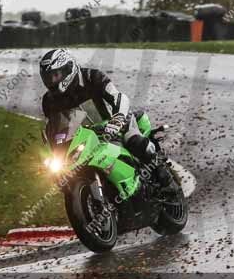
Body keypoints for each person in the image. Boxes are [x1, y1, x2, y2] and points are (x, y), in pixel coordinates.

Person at [39, 48, 175, 190]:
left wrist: (117, 119)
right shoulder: (48, 101)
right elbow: (53, 129)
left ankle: (164, 177)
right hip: (86, 139)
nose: (52, 81)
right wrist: (51, 154)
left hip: (115, 123)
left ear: (68, 68)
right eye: (48, 78)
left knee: (134, 140)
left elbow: (118, 97)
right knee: (63, 175)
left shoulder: (92, 77)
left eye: (55, 75)